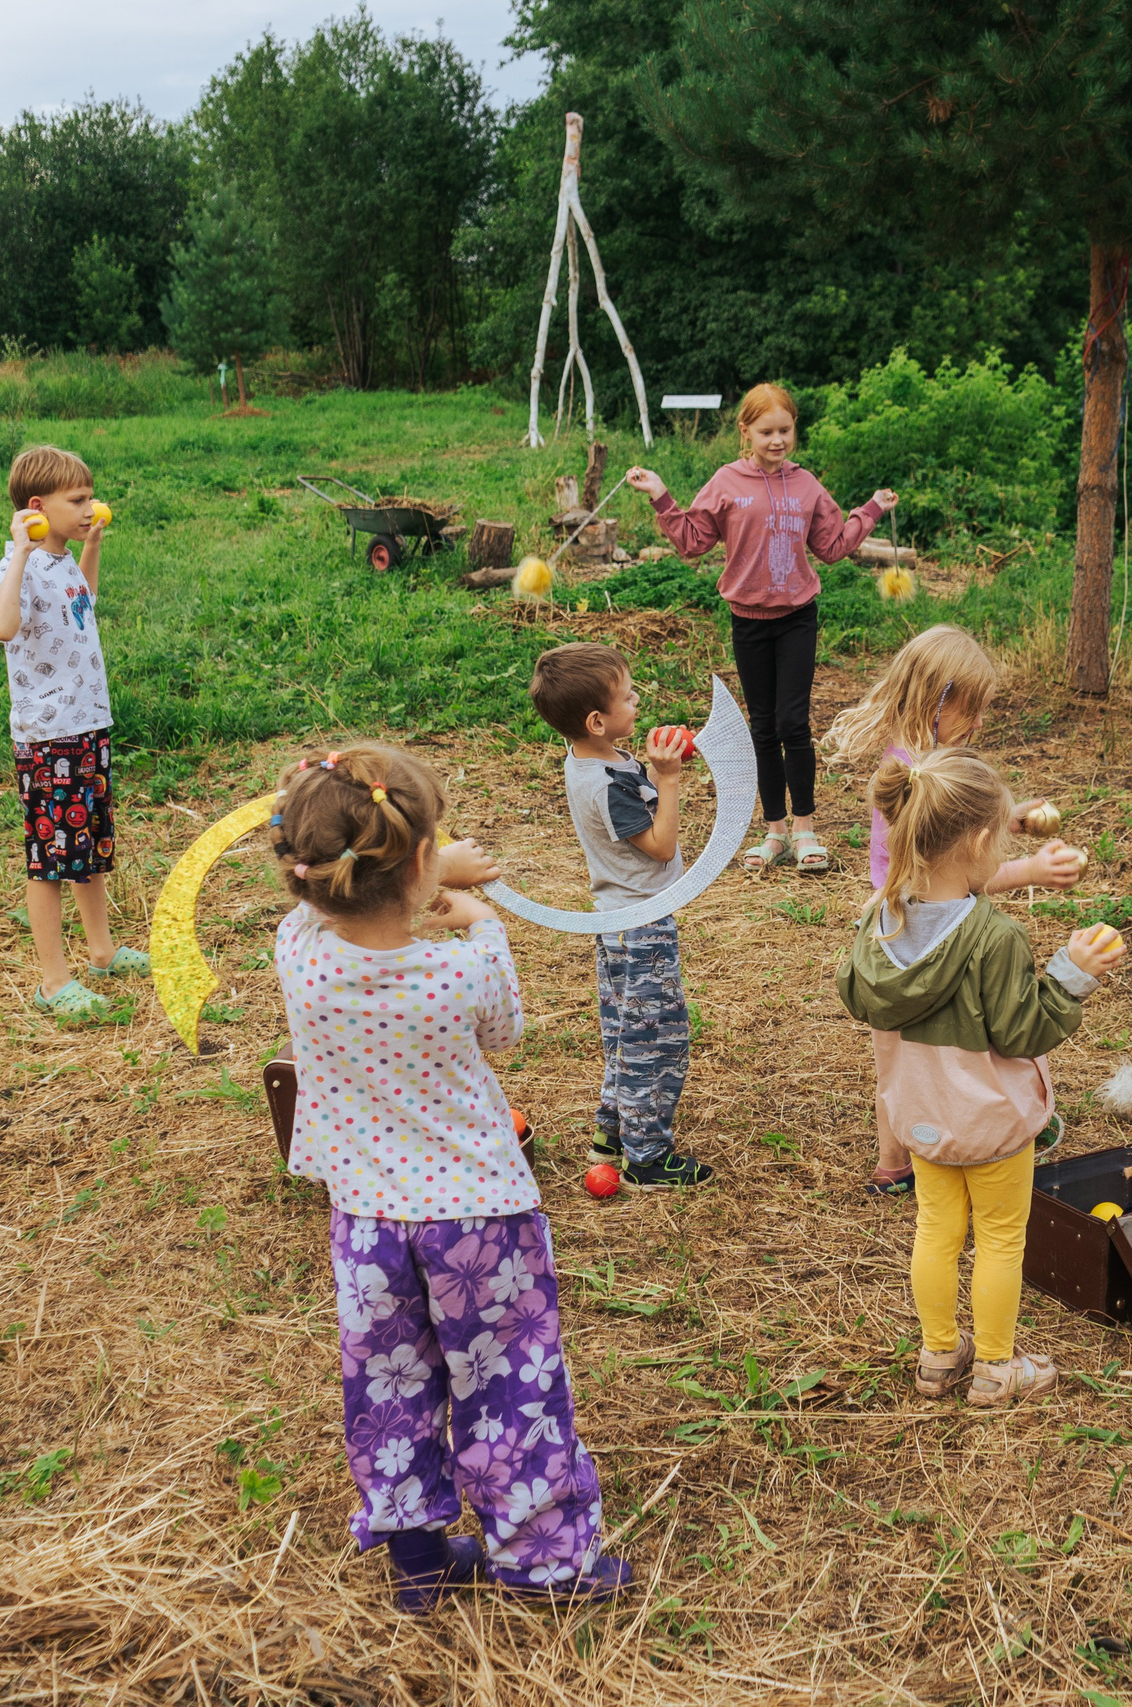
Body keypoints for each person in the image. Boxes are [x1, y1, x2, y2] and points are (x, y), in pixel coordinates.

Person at [269, 743, 628, 1608]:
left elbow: (328, 907)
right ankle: (544, 1561)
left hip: (365, 1222)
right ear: (424, 860)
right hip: (480, 1219)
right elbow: (504, 1028)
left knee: (388, 1386)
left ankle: (418, 1556)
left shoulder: (299, 953)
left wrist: (422, 876)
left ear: (307, 873)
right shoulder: (461, 968)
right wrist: (477, 914)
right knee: (512, 1381)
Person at [835, 749, 1126, 1406]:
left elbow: (855, 993)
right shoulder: (994, 937)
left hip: (922, 1116)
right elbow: (1024, 1030)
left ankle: (939, 1354)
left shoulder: (881, 918)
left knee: (936, 1229)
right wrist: (1073, 971)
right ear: (975, 840)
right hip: (990, 1120)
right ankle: (996, 1366)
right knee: (999, 1236)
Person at [825, 624, 1088, 1194]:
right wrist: (1030, 871)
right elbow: (950, 872)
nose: (980, 724)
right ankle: (970, 1133)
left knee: (897, 1051)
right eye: (973, 710)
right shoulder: (919, 771)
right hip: (926, 924)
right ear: (937, 701)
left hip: (894, 927)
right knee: (950, 1044)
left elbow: (950, 833)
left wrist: (1007, 817)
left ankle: (894, 1162)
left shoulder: (912, 767)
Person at [623, 383, 898, 876]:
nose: (777, 440)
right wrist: (661, 495)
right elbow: (692, 542)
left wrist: (872, 509)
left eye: (785, 430)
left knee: (794, 722)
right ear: (745, 431)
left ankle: (805, 828)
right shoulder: (727, 482)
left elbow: (832, 546)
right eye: (766, 431)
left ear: (794, 430)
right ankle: (773, 831)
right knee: (763, 728)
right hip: (748, 621)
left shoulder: (807, 485)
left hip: (797, 618)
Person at [526, 641, 714, 1188]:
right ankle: (647, 1157)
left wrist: (665, 764)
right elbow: (658, 844)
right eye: (628, 696)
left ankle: (613, 1128)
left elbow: (637, 788)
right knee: (656, 1036)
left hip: (620, 920)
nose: (639, 700)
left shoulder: (598, 758)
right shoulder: (604, 786)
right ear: (597, 720)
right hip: (640, 925)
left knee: (623, 1027)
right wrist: (671, 783)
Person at [0, 444, 147, 1015]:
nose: (88, 507)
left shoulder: (61, 564)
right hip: (48, 738)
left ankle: (100, 950)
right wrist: (22, 553)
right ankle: (52, 980)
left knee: (90, 846)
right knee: (51, 858)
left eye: (89, 498)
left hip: (87, 727)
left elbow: (85, 604)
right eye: (76, 501)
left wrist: (93, 543)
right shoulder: (20, 566)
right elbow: (1, 627)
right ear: (35, 508)